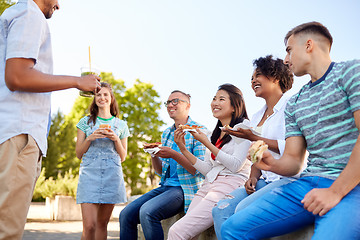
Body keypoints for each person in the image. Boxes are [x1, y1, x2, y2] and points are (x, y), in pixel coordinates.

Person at [221, 22, 360, 240]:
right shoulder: (296, 102)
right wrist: (271, 162)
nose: (286, 60)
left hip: (352, 185)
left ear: (309, 45)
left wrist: (334, 192)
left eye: (288, 49)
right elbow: (293, 162)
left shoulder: (352, 72)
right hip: (307, 182)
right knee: (232, 228)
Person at [0, 0, 100, 239]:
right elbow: (17, 76)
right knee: (7, 231)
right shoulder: (29, 14)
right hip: (19, 135)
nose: (58, 5)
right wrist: (77, 81)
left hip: (11, 133)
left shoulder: (13, 14)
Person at [212, 55, 297, 239]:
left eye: (258, 75)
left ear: (275, 77)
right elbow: (256, 156)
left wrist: (255, 137)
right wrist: (252, 177)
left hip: (286, 180)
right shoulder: (257, 116)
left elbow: (293, 148)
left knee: (242, 209)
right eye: (251, 78)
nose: (253, 81)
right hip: (262, 181)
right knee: (220, 210)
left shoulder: (292, 106)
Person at [167, 84, 251, 240]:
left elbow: (235, 165)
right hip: (209, 184)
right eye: (214, 99)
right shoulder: (215, 133)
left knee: (176, 232)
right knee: (188, 234)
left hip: (230, 185)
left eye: (221, 99)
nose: (215, 103)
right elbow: (208, 170)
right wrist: (183, 148)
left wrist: (207, 143)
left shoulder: (243, 128)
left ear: (234, 105)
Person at [119, 90, 206, 240]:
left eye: (175, 101)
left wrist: (173, 153)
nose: (170, 105)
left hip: (185, 189)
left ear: (188, 106)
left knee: (147, 212)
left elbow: (197, 170)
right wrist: (153, 154)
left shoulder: (198, 131)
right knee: (126, 214)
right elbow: (160, 171)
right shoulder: (167, 133)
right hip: (166, 187)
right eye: (168, 102)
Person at [76, 82, 129, 240]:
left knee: (102, 224)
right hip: (88, 176)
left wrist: (116, 140)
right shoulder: (85, 122)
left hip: (112, 176)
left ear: (111, 98)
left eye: (105, 94)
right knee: (89, 226)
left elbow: (123, 156)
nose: (102, 97)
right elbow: (79, 153)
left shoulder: (121, 125)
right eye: (98, 95)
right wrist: (90, 138)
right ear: (94, 99)